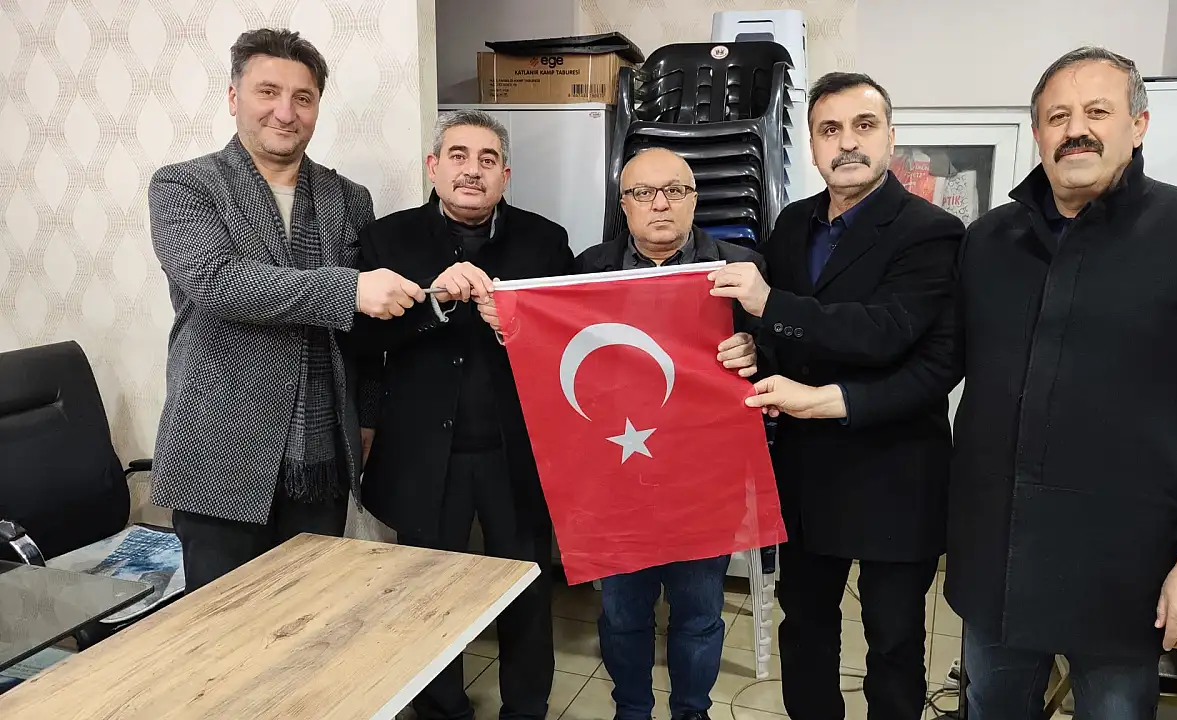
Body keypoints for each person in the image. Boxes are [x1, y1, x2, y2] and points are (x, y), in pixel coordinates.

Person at [748, 47, 1177, 720]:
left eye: (1097, 112)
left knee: (1112, 706)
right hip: (997, 552)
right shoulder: (993, 240)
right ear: (1037, 132)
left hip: (1124, 557)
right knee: (991, 704)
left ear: (1139, 124)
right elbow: (943, 362)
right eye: (1058, 116)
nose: (1076, 129)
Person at [709, 72, 964, 720]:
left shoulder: (931, 231)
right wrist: (754, 352)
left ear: (890, 138)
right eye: (830, 130)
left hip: (895, 474)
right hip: (807, 473)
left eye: (863, 126)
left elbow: (887, 331)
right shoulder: (793, 225)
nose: (847, 142)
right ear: (813, 146)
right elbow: (777, 336)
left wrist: (770, 307)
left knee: (895, 643)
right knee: (806, 631)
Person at [148, 28, 423, 592]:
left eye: (303, 97)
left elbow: (366, 333)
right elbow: (218, 282)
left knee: (311, 616)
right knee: (221, 625)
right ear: (234, 97)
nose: (285, 112)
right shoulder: (184, 185)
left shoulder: (349, 197)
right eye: (267, 92)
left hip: (322, 454)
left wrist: (367, 416)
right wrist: (347, 290)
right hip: (218, 448)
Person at [509, 146, 761, 720]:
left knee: (699, 613)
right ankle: (632, 710)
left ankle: (692, 711)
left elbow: (779, 350)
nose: (659, 204)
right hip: (615, 476)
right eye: (643, 193)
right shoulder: (587, 269)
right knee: (623, 613)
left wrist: (756, 348)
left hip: (705, 479)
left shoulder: (740, 267)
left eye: (674, 190)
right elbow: (555, 356)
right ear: (623, 205)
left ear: (694, 199)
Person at [344, 109, 571, 720]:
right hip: (420, 453)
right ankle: (443, 710)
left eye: (488, 159)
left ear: (505, 175)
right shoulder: (386, 240)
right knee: (428, 596)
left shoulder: (546, 240)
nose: (473, 170)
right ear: (433, 166)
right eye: (459, 156)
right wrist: (433, 303)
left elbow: (571, 342)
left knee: (526, 590)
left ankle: (526, 708)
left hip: (517, 452)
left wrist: (516, 326)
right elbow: (359, 341)